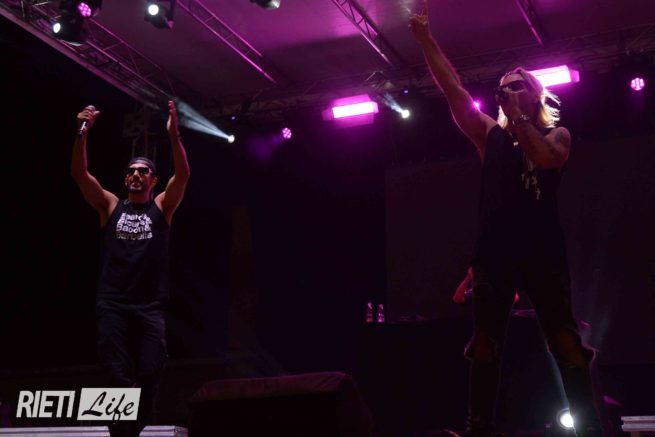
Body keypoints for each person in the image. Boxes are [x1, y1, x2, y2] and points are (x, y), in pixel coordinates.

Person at [409, 2, 602, 436]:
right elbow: (454, 90)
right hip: (495, 252)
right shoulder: (490, 136)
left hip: (542, 250)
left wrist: (517, 117)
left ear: (535, 94)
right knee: (484, 344)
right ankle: (479, 429)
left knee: (566, 343)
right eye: (502, 87)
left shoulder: (557, 134)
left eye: (516, 85)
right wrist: (424, 38)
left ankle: (591, 430)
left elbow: (545, 158)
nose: (506, 91)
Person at [71, 100, 190, 437]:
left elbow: (183, 175)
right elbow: (79, 175)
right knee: (117, 373)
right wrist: (82, 134)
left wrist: (174, 137)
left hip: (150, 306)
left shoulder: (162, 207)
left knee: (150, 371)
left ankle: (128, 431)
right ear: (126, 178)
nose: (136, 174)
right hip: (113, 303)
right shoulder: (110, 206)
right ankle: (121, 432)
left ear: (153, 180)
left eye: (143, 171)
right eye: (131, 171)